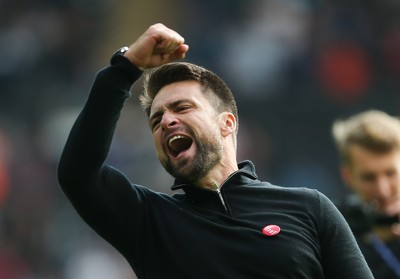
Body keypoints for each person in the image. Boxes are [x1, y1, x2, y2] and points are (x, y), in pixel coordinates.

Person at [57, 23, 373, 279]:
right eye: (156, 120)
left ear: (227, 123)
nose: (166, 121)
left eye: (182, 107)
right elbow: (78, 174)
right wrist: (125, 69)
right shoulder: (149, 221)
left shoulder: (309, 209)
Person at [332, 109, 400, 278]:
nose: (382, 190)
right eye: (369, 178)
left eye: (390, 174)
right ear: (348, 176)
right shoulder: (332, 234)